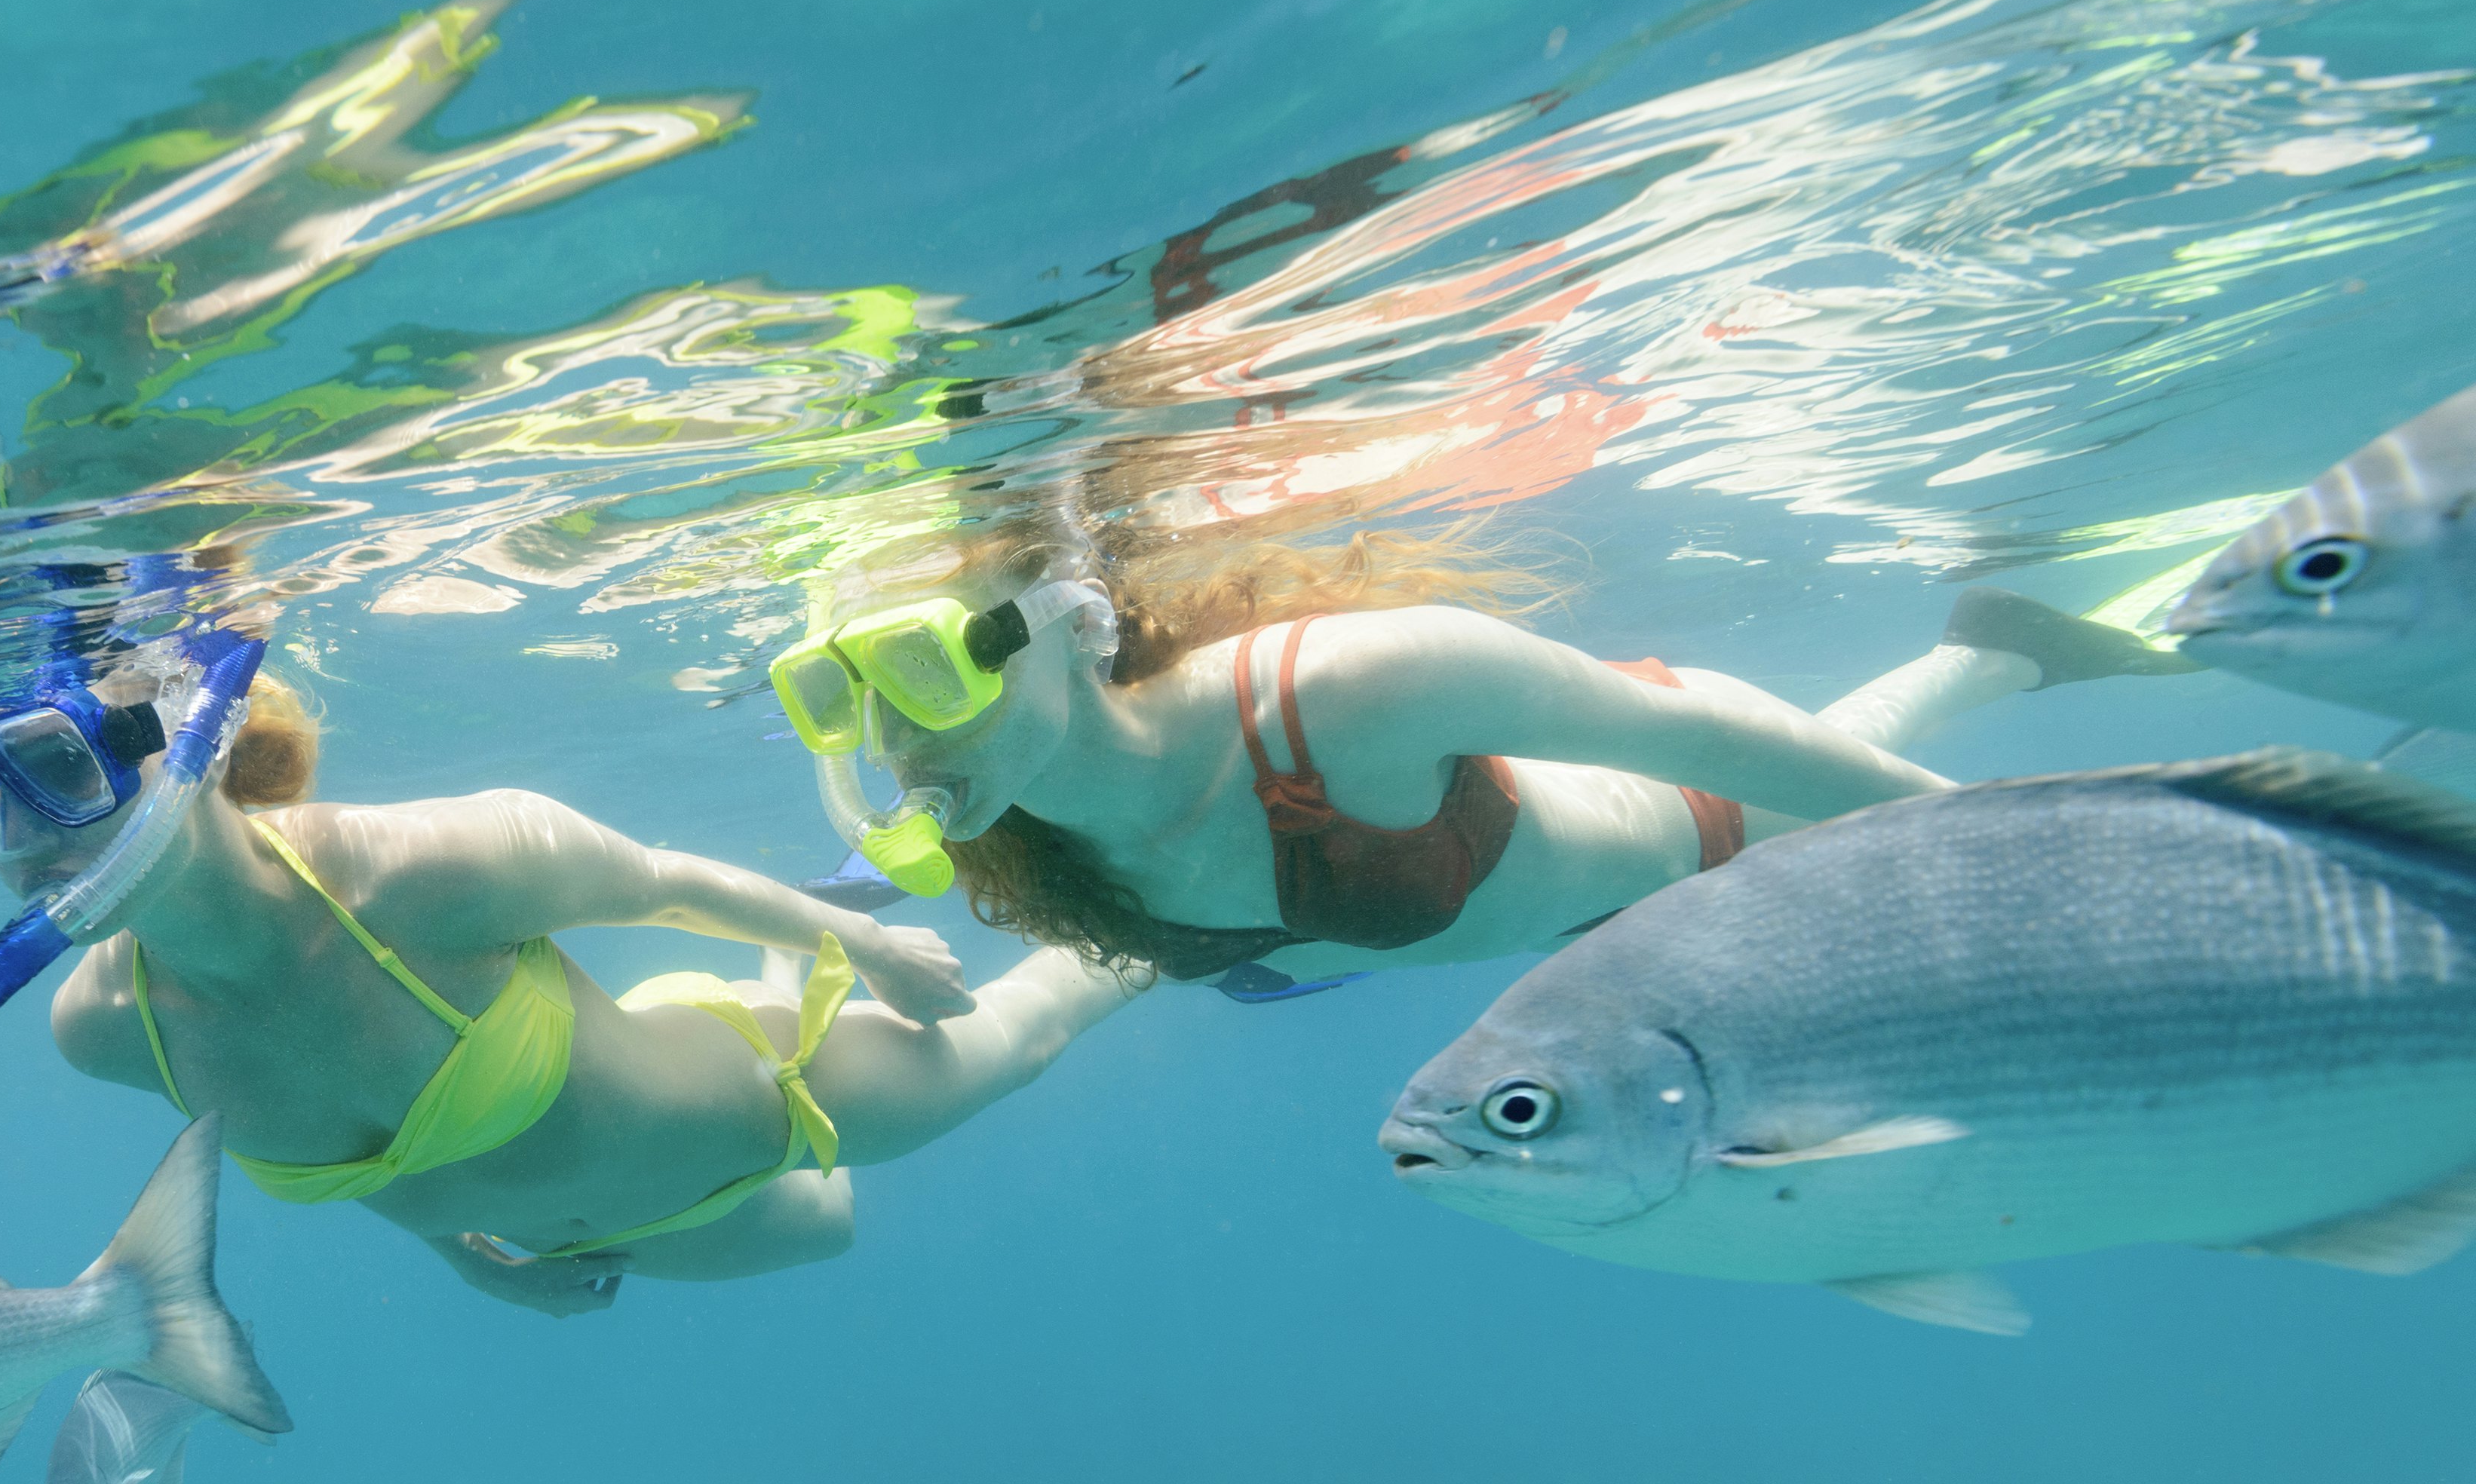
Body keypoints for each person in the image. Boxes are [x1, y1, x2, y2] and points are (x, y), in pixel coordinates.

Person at [0, 661, 1139, 1317]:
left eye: (51, 768)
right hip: (615, 1242)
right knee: (834, 1233)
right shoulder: (101, 1026)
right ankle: (800, 947)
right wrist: (473, 1267)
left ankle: (1181, 935)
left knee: (1031, 1032)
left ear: (184, 751)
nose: (14, 832)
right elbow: (358, 1141)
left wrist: (862, 950)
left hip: (775, 1100)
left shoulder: (430, 867)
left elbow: (658, 884)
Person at [782, 519, 2171, 983]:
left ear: (1071, 622)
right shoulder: (999, 822)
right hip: (1466, 940)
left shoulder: (1347, 695)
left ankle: (1989, 649)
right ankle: (1989, 650)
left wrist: (2032, 853)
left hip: (1688, 824)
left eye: (919, 663)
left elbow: (1709, 736)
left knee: (1841, 785)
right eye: (841, 692)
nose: (896, 734)